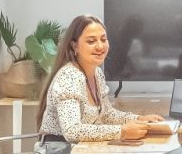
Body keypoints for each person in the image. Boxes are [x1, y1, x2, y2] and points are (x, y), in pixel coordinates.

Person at [38, 15, 166, 143]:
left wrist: (139, 119)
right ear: (74, 46)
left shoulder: (97, 73)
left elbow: (107, 115)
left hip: (80, 150)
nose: (100, 46)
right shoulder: (69, 76)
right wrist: (122, 132)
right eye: (91, 41)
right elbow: (72, 131)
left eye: (103, 39)